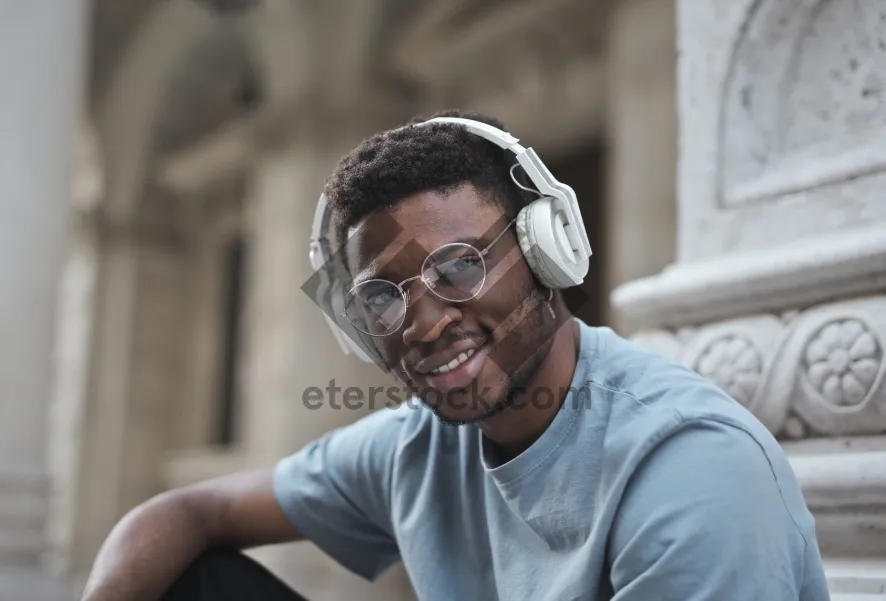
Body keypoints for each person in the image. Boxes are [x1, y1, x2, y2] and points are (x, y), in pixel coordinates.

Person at [79, 110, 831, 601]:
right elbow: (188, 511)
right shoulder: (420, 443)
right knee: (195, 580)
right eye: (382, 298)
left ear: (549, 252)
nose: (426, 323)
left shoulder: (691, 471)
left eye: (461, 266)